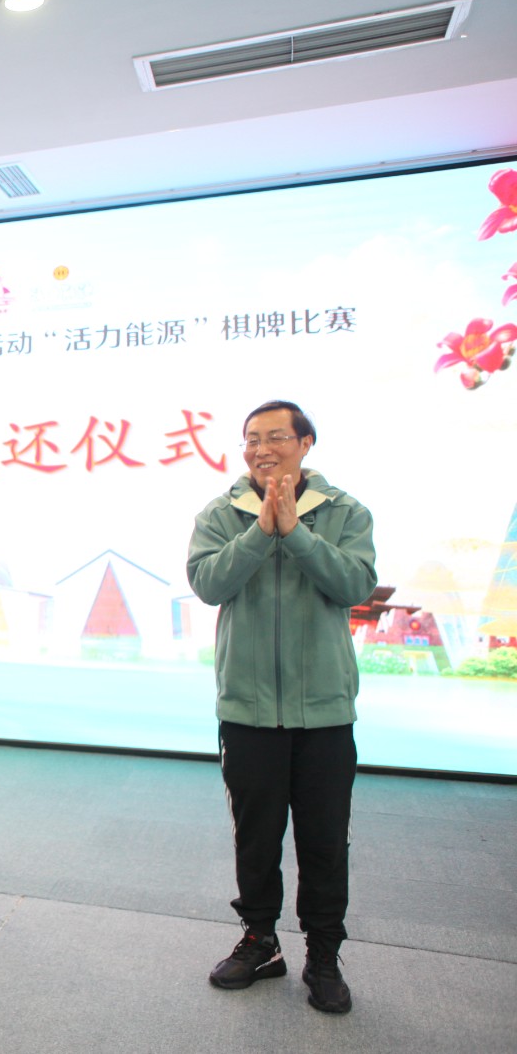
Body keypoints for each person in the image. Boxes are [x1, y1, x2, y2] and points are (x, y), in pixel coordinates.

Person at [186, 400, 377, 1016]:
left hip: (324, 711)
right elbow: (209, 584)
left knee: (324, 840)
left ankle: (324, 955)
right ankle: (261, 941)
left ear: (305, 443)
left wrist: (295, 532)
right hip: (246, 711)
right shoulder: (221, 513)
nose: (261, 449)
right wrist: (260, 532)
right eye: (251, 439)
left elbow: (354, 586)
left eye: (275, 437)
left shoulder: (345, 511)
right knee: (256, 838)